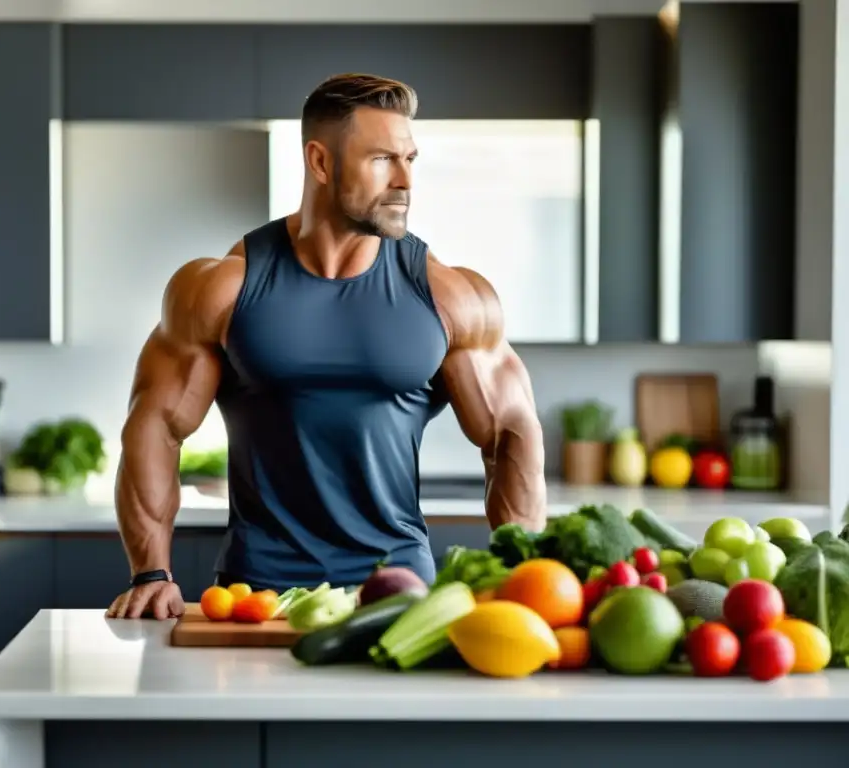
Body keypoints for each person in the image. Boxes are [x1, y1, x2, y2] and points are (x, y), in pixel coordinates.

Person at [106, 73, 547, 621]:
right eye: (384, 159)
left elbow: (512, 429)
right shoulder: (223, 288)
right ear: (320, 162)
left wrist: (520, 575)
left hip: (400, 592)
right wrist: (151, 572)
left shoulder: (448, 296)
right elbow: (155, 423)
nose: (405, 180)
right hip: (255, 596)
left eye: (411, 159)